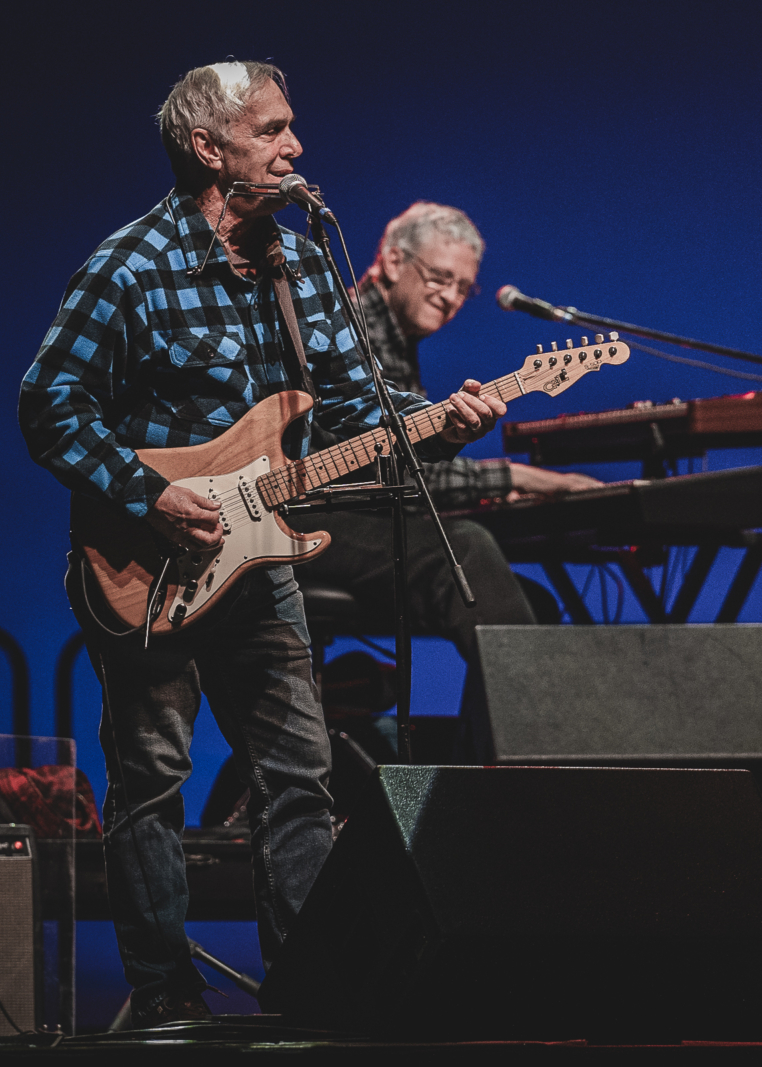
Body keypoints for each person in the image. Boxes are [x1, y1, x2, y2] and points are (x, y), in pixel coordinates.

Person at [17, 61, 504, 1027]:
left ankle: (310, 987)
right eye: (274, 130)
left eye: (292, 129)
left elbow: (354, 409)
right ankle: (165, 993)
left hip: (260, 566)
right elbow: (48, 406)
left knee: (300, 773)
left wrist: (438, 421)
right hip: (149, 570)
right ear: (210, 149)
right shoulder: (130, 267)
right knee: (152, 779)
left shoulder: (301, 262)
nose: (295, 147)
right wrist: (150, 496)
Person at [286, 203, 600, 674]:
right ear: (393, 262)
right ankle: (551, 736)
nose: (450, 297)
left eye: (462, 288)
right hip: (299, 519)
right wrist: (516, 478)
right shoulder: (350, 330)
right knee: (469, 550)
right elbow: (381, 467)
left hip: (340, 519)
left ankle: (500, 744)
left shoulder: (393, 339)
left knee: (530, 603)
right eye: (439, 277)